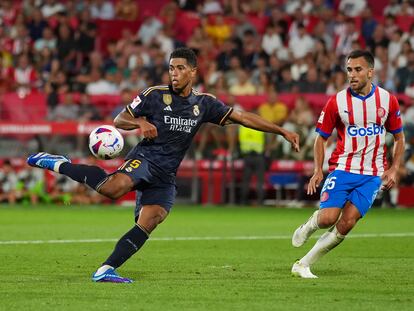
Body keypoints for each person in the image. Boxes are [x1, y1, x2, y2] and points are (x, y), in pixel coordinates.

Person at [27, 47, 300, 283]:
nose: (174, 73)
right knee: (112, 189)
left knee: (150, 221)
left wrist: (282, 131)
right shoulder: (154, 95)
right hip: (145, 160)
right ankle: (60, 164)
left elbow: (242, 117)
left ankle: (106, 269)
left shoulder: (204, 104)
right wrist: (141, 122)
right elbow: (120, 119)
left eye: (180, 68)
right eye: (171, 68)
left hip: (166, 174)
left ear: (193, 72)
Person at [291, 50, 405, 278]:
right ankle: (309, 225)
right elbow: (320, 138)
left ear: (370, 72)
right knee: (328, 219)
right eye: (349, 70)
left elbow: (399, 137)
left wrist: (393, 168)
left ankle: (303, 264)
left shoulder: (387, 100)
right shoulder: (337, 101)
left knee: (347, 223)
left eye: (358, 69)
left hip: (372, 175)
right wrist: (317, 170)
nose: (352, 75)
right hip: (343, 169)